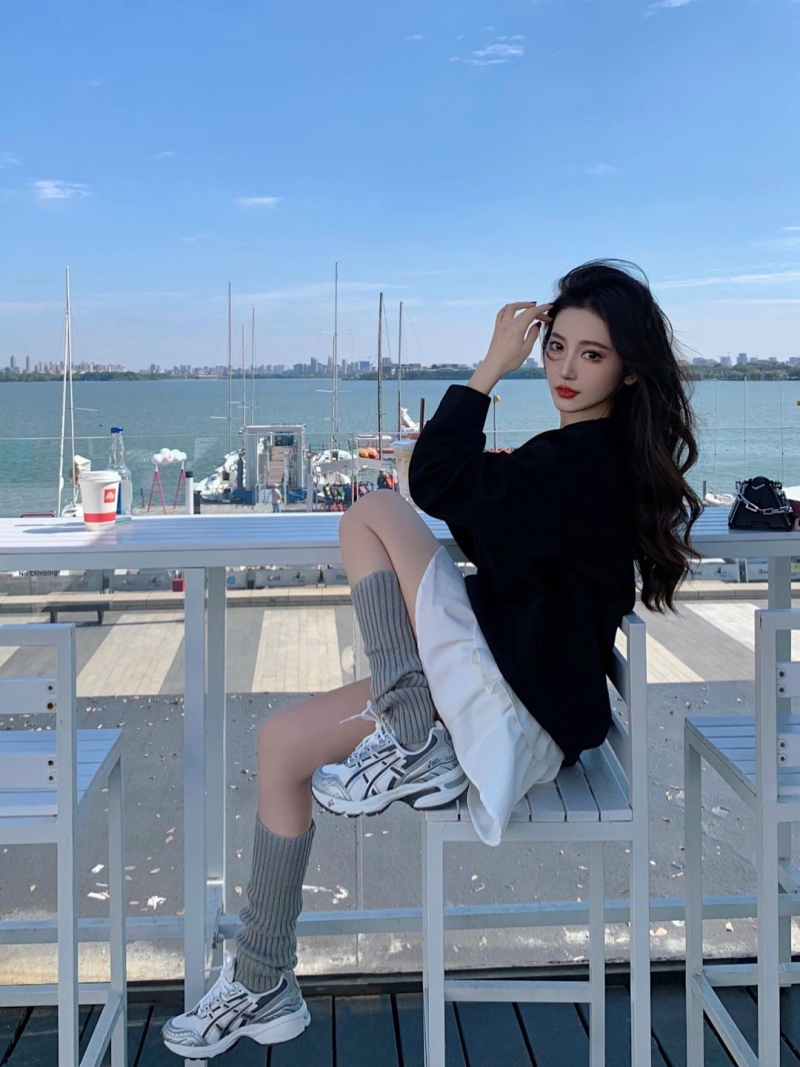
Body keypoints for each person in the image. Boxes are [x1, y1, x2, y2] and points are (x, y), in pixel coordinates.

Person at [162, 260, 702, 1059]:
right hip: (511, 679)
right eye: (555, 347)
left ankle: (410, 734)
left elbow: (434, 480)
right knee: (281, 743)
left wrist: (489, 368)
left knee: (372, 511)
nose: (563, 367)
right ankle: (262, 974)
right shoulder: (594, 457)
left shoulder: (578, 464)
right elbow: (490, 523)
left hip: (505, 702)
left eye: (591, 354)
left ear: (628, 369)